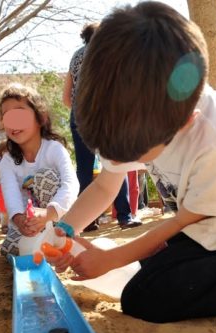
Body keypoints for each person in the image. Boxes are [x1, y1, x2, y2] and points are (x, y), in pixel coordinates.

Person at [46, 1, 216, 323]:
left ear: (184, 124)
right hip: (193, 224)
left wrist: (113, 258)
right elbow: (106, 184)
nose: (117, 159)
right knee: (138, 273)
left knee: (147, 299)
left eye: (131, 155)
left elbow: (181, 222)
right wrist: (65, 229)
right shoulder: (132, 111)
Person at [63, 23, 141, 231]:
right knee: (117, 161)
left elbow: (66, 97)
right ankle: (125, 216)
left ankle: (87, 221)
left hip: (79, 114)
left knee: (84, 168)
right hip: (105, 113)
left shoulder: (75, 57)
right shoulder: (106, 52)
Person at [0, 82, 79, 256]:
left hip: (56, 219)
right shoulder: (7, 161)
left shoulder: (54, 149)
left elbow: (71, 184)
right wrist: (20, 221)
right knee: (9, 249)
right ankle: (42, 246)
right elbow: (11, 195)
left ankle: (62, 237)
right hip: (29, 224)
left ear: (40, 118)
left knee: (45, 177)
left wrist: (48, 214)